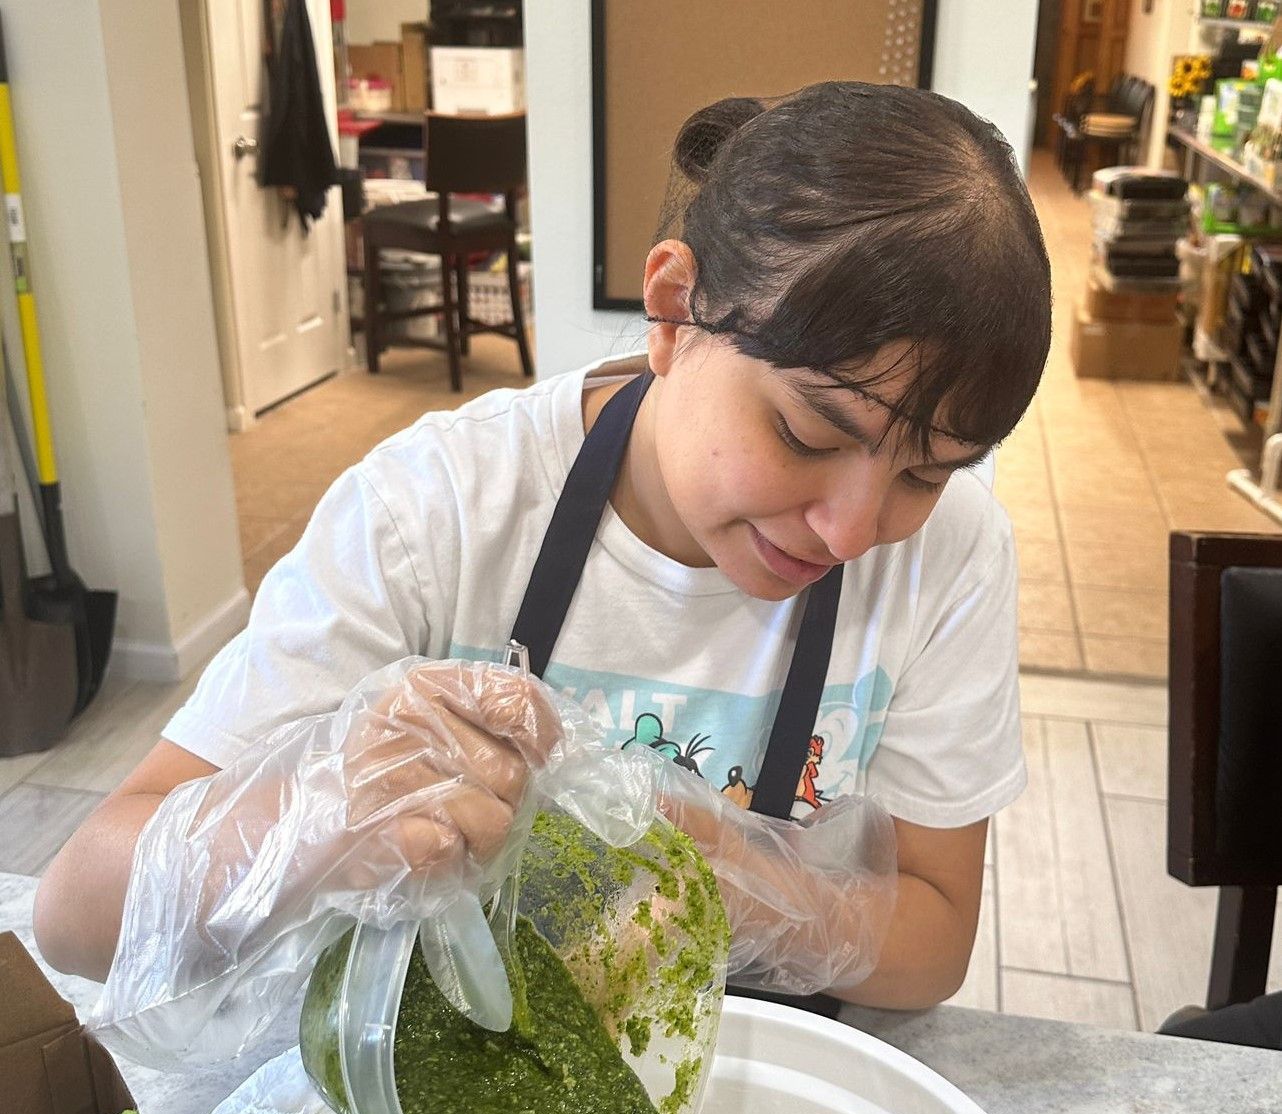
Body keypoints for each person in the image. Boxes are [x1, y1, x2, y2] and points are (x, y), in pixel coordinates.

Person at [34, 82, 1052, 1021]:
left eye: (928, 470)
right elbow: (77, 912)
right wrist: (320, 820)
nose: (852, 530)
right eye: (807, 436)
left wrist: (707, 868)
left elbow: (932, 942)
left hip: (777, 1072)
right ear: (672, 307)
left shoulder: (949, 555)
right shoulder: (436, 510)